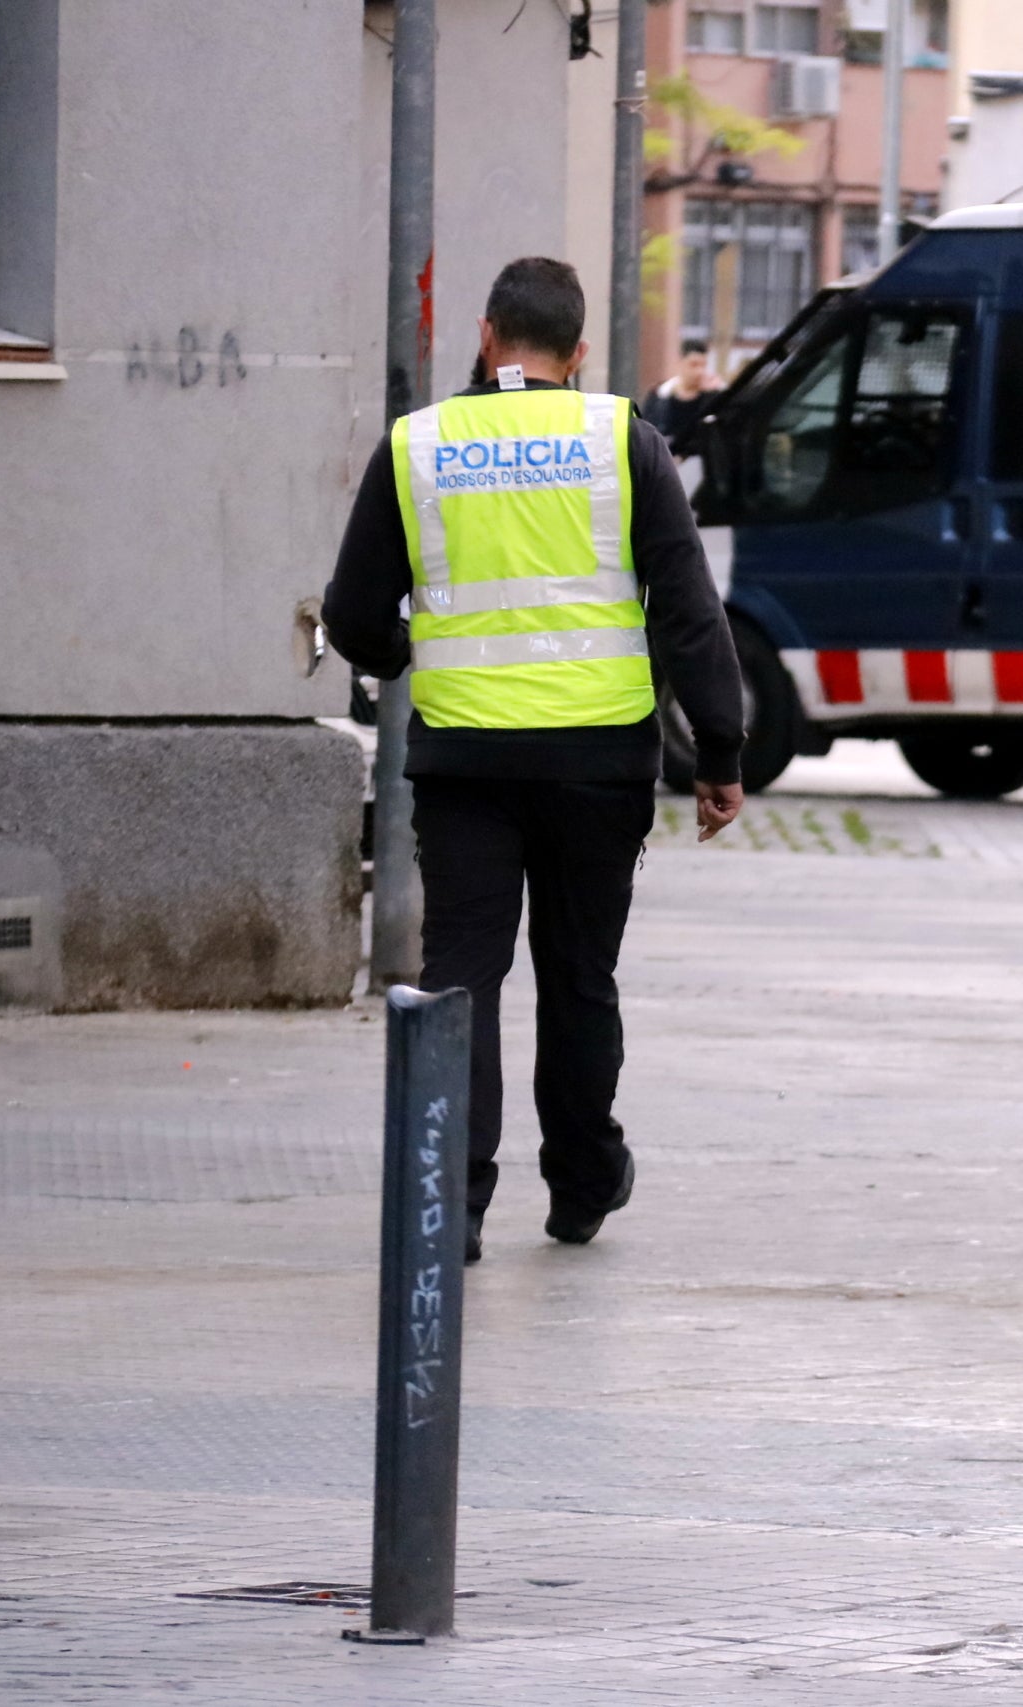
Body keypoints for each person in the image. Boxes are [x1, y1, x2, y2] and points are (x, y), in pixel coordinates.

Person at [323, 257, 748, 1265]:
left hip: (465, 763)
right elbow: (689, 612)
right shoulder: (623, 442)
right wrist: (719, 754)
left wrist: (397, 654)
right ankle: (582, 1184)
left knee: (461, 976)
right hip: (598, 764)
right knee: (578, 976)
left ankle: (453, 1202)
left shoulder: (417, 446)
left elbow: (351, 614)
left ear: (486, 335)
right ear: (579, 350)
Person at [641, 340, 720, 446]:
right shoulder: (659, 396)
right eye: (694, 365)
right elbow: (647, 430)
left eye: (703, 365)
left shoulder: (713, 398)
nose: (699, 371)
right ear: (681, 362)